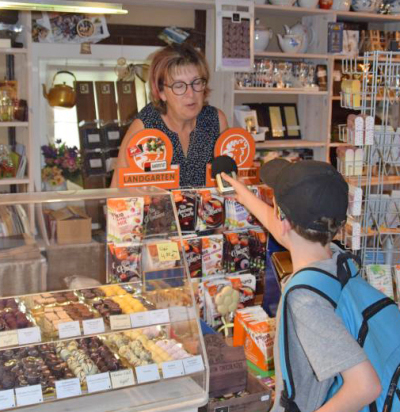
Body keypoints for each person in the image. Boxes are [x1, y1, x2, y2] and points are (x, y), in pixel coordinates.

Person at [222, 159, 381, 412]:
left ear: (284, 220)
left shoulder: (306, 299)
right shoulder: (336, 259)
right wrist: (245, 196)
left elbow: (365, 386)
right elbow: (284, 229)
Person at [111, 43, 228, 188]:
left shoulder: (215, 120)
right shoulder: (145, 127)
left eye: (196, 83)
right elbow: (118, 189)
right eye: (179, 86)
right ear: (161, 92)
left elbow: (229, 180)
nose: (191, 94)